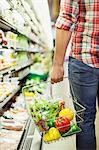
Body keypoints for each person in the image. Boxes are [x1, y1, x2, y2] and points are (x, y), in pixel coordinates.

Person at [51, 0, 99, 150]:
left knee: (85, 120)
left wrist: (57, 64)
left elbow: (66, 19)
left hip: (84, 57)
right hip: (84, 60)